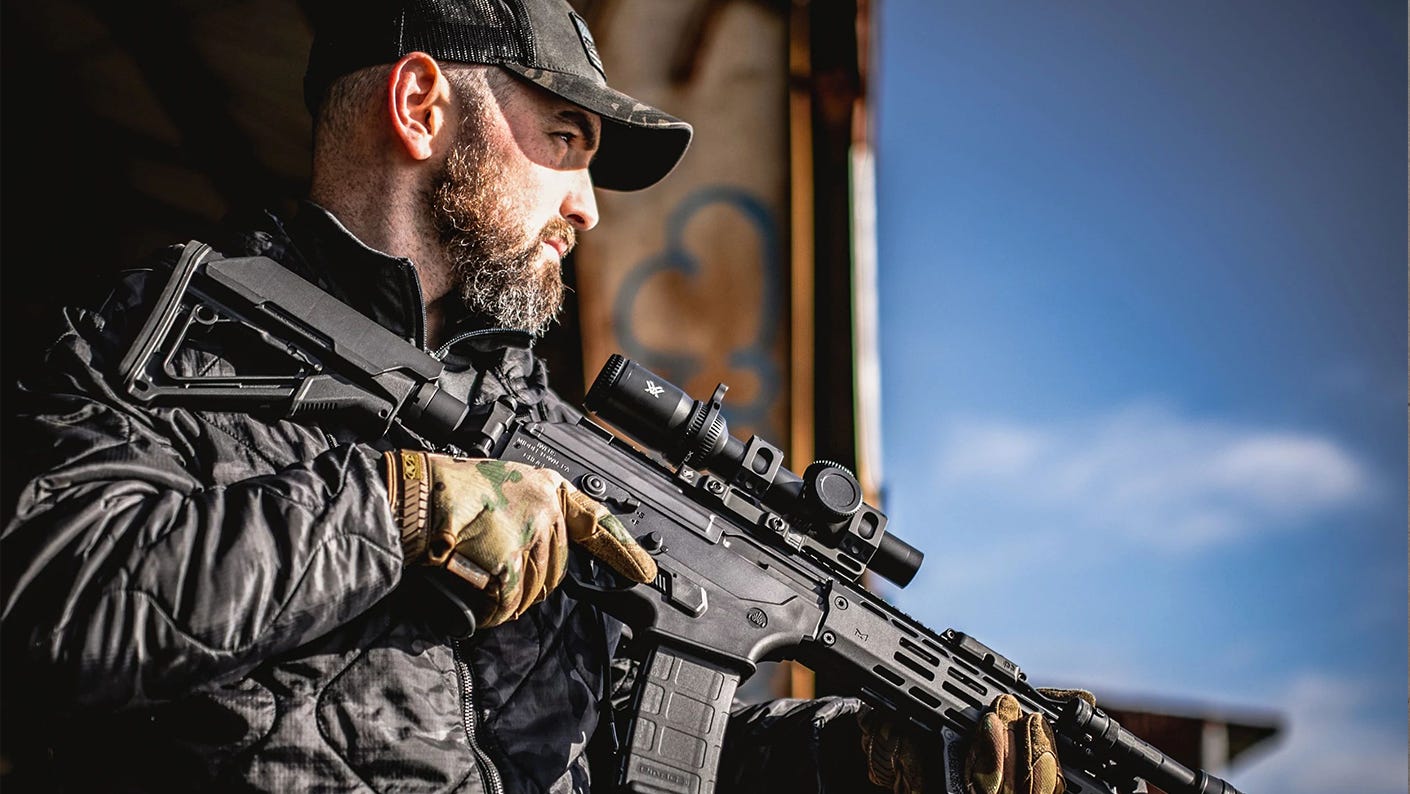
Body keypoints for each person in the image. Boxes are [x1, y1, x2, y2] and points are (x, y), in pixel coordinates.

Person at [0, 1, 1082, 792]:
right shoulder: (171, 340)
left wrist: (859, 758)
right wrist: (398, 509)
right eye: (566, 142)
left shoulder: (543, 439)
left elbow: (636, 749)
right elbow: (45, 606)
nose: (588, 207)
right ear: (423, 105)